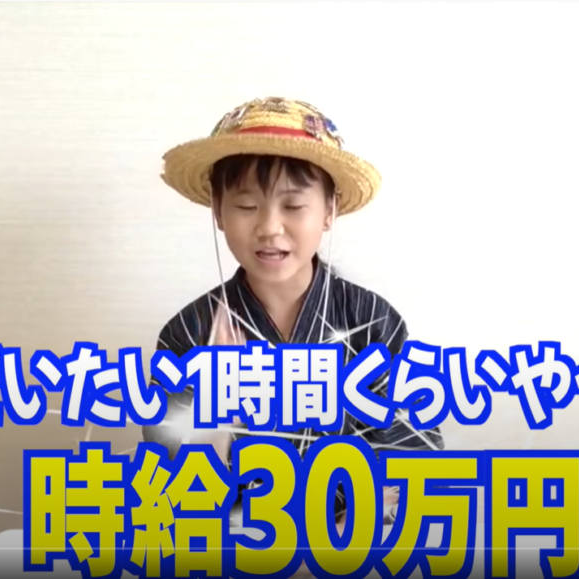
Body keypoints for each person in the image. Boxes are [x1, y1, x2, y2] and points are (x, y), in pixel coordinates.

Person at [142, 97, 446, 555]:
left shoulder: (372, 323)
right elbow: (172, 487)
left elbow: (418, 470)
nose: (269, 227)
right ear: (218, 212)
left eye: (293, 205)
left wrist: (330, 549)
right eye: (246, 205)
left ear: (329, 212)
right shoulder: (188, 335)